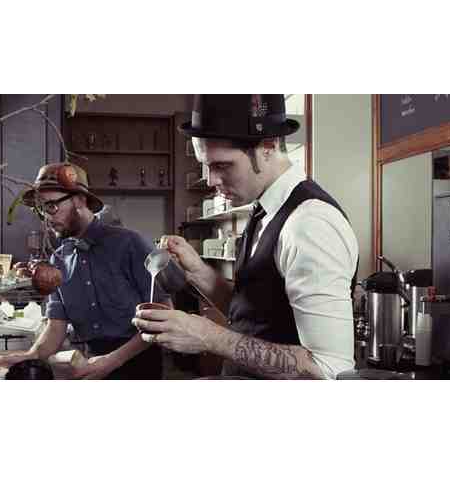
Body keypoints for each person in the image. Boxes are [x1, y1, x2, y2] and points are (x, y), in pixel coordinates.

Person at [133, 95, 359, 379]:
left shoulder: (310, 224)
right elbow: (255, 316)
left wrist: (209, 336)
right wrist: (198, 273)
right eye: (206, 166)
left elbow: (328, 370)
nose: (211, 180)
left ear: (268, 147)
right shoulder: (263, 209)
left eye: (222, 165)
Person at [0, 163, 170, 379]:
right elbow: (56, 326)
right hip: (89, 365)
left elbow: (164, 313)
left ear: (80, 200)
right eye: (41, 209)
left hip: (140, 364)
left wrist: (112, 361)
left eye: (51, 206)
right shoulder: (58, 260)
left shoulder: (129, 243)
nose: (47, 217)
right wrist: (30, 355)